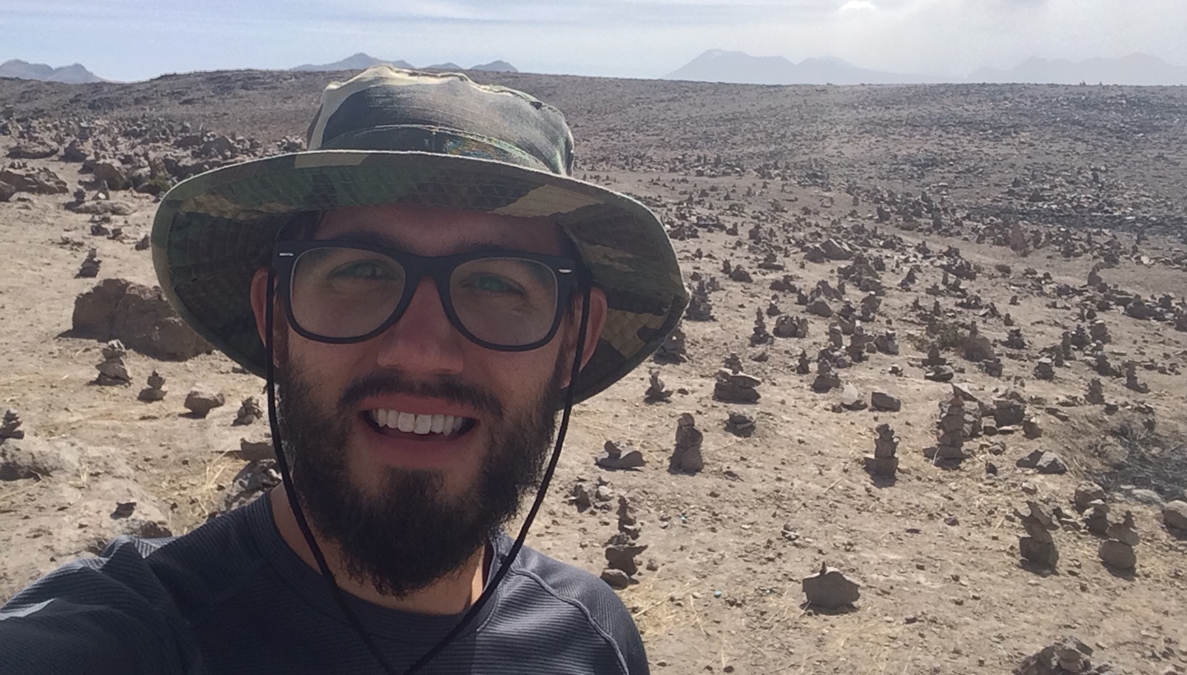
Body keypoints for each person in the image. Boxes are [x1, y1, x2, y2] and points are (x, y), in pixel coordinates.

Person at [0, 66, 686, 674]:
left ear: (576, 339)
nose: (421, 349)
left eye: (500, 285)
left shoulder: (594, 643)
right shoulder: (136, 634)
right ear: (273, 316)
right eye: (360, 270)